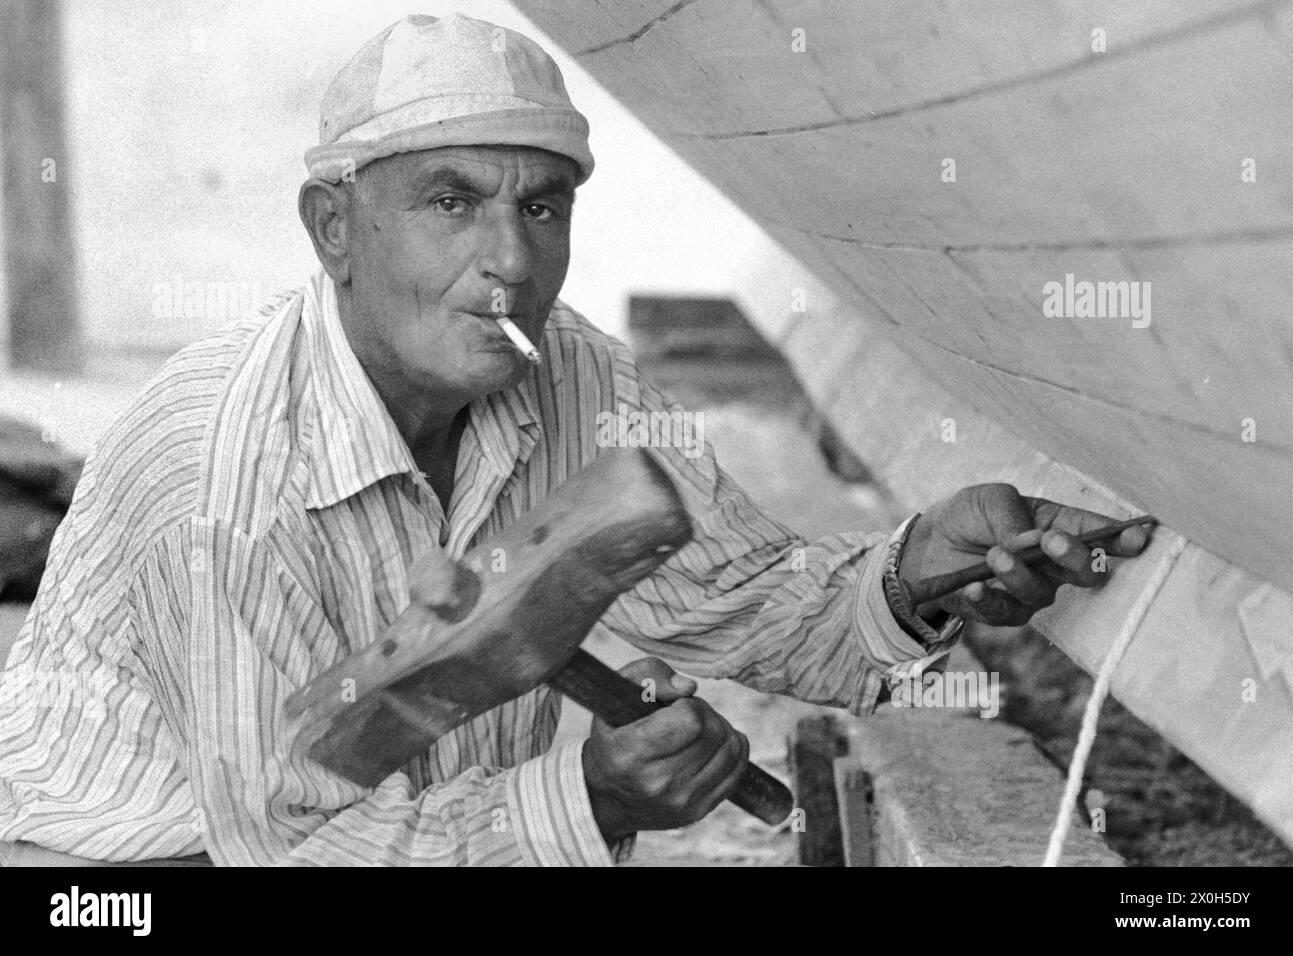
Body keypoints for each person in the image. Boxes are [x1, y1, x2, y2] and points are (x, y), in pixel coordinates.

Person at [0, 13, 1148, 866]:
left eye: (542, 204)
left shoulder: (572, 374)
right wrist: (583, 805)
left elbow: (751, 607)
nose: (509, 259)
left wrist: (909, 572)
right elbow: (291, 847)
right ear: (334, 227)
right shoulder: (223, 472)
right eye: (452, 201)